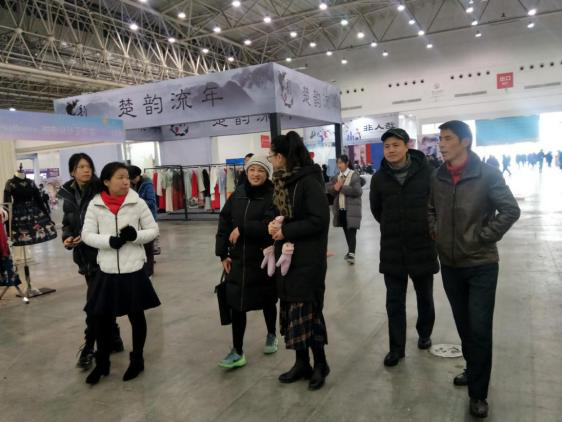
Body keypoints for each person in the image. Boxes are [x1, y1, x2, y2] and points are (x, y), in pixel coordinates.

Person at [429, 121, 520, 418]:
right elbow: (430, 208)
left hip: (481, 264)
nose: (441, 144)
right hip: (450, 265)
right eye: (440, 139)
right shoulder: (437, 176)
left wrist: (484, 236)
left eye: (448, 138)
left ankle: (478, 394)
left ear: (465, 141)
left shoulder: (487, 174)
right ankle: (473, 368)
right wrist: (436, 231)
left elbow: (510, 210)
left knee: (480, 329)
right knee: (465, 326)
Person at [81, 162, 161, 385]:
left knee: (136, 316)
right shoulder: (95, 204)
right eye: (120, 177)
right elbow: (86, 234)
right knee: (102, 319)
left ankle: (137, 360)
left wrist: (136, 236)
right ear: (107, 181)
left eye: (127, 177)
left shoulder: (137, 202)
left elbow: (153, 230)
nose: (126, 181)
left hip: (132, 269)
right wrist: (108, 241)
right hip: (107, 271)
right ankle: (102, 364)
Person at [267, 131, 331, 391]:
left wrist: (287, 230)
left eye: (272, 155)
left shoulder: (308, 181)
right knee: (293, 312)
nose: (271, 160)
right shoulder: (282, 181)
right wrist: (274, 224)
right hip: (288, 258)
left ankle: (321, 364)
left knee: (308, 313)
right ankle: (301, 363)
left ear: (282, 157)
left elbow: (320, 220)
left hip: (308, 259)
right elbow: (281, 213)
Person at [370, 128, 438, 367]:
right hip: (393, 248)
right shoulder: (379, 178)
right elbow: (377, 210)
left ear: (406, 146)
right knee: (394, 302)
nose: (390, 150)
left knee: (425, 297)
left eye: (395, 145)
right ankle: (396, 348)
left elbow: (435, 205)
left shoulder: (426, 172)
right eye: (387, 146)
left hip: (422, 244)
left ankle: (424, 333)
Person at [57, 153, 124, 370]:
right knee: (103, 301)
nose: (86, 170)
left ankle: (88, 347)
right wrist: (67, 237)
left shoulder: (100, 190)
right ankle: (114, 338)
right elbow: (68, 222)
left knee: (93, 304)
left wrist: (93, 237)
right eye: (81, 167)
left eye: (89, 166)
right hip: (84, 256)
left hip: (102, 253)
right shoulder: (68, 194)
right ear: (72, 171)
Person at [215, 156, 278, 369]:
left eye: (261, 170)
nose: (256, 174)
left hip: (262, 258)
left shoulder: (273, 195)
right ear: (247, 172)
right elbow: (224, 222)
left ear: (267, 173)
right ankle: (237, 351)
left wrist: (243, 229)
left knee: (267, 299)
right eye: (252, 170)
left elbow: (269, 224)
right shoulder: (238, 194)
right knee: (237, 304)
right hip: (238, 260)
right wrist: (222, 254)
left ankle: (272, 334)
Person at [327, 155, 362, 265]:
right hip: (341, 208)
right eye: (338, 163)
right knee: (346, 231)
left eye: (341, 162)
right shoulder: (337, 176)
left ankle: (351, 254)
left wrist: (342, 187)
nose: (339, 165)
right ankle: (350, 252)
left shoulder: (353, 175)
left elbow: (357, 191)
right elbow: (331, 190)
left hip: (352, 208)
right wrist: (335, 188)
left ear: (347, 163)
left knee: (351, 231)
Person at [128, 166, 158, 277]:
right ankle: (143, 269)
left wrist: (137, 201)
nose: (131, 181)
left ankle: (149, 271)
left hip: (148, 218)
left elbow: (152, 202)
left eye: (132, 178)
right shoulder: (131, 185)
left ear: (137, 176)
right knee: (140, 246)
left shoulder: (147, 185)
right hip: (136, 219)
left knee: (148, 247)